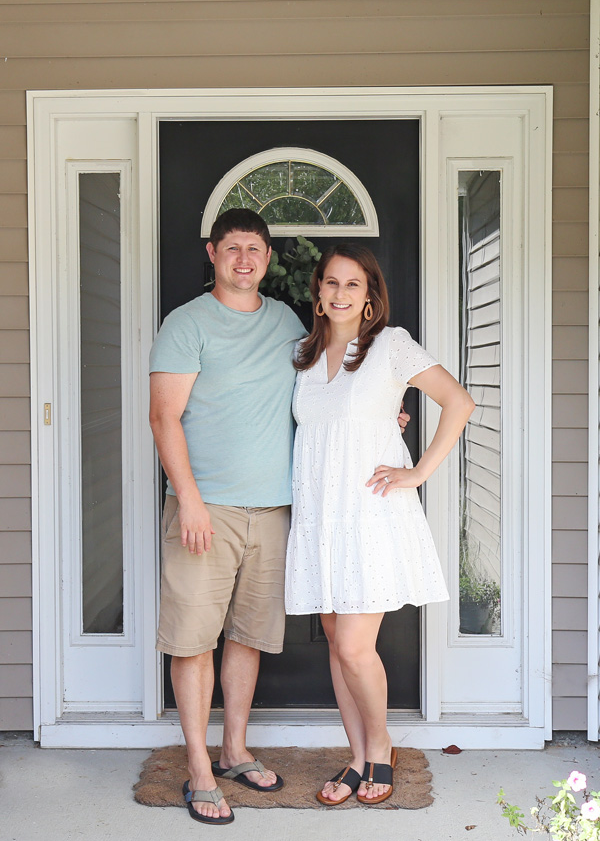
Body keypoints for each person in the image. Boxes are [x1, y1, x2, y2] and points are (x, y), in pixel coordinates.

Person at [285, 243, 475, 806]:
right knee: (336, 648)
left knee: (353, 647)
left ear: (370, 298)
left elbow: (458, 401)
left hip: (367, 514)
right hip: (319, 517)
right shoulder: (302, 354)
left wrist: (417, 471)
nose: (340, 293)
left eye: (352, 285)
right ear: (317, 292)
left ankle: (382, 746)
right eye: (331, 283)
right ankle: (357, 755)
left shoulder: (390, 346)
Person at [148, 208, 306, 825]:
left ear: (268, 259)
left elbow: (315, 396)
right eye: (233, 248)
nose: (245, 259)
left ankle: (234, 750)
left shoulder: (287, 321)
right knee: (192, 641)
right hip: (204, 509)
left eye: (256, 249)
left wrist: (379, 423)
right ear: (212, 253)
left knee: (248, 635)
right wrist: (187, 498)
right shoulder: (187, 324)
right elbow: (164, 416)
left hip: (272, 509)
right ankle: (197, 769)